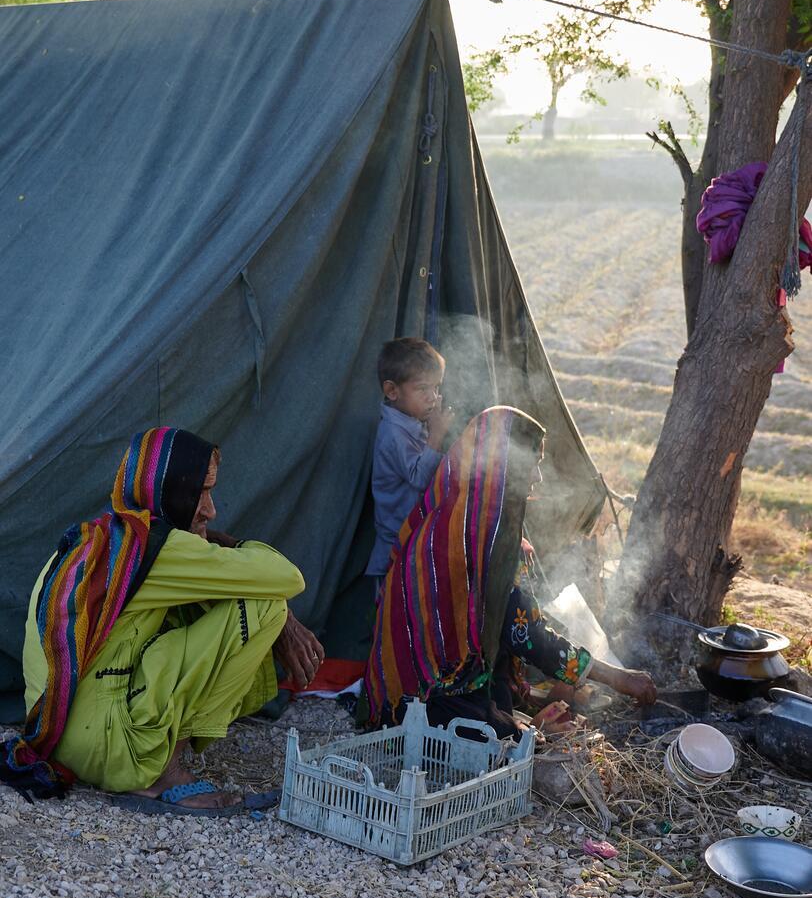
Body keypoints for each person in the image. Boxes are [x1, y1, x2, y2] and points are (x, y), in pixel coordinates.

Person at [1, 427, 324, 814]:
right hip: (111, 751)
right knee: (266, 607)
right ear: (171, 491)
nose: (209, 510)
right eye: (200, 493)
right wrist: (280, 611)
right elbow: (288, 577)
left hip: (60, 742)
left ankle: (143, 755)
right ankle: (161, 775)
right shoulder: (160, 547)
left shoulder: (106, 539)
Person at [364, 406, 655, 737]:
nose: (538, 477)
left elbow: (508, 626)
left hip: (418, 687)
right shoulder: (491, 543)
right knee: (516, 740)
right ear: (506, 467)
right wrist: (618, 678)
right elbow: (526, 636)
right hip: (426, 698)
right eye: (534, 465)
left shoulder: (445, 515)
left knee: (510, 705)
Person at [366, 337, 451, 593]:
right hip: (396, 545)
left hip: (415, 539)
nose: (432, 398)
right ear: (392, 391)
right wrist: (437, 435)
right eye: (422, 389)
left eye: (436, 388)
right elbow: (419, 477)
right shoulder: (393, 432)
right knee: (395, 614)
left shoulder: (412, 420)